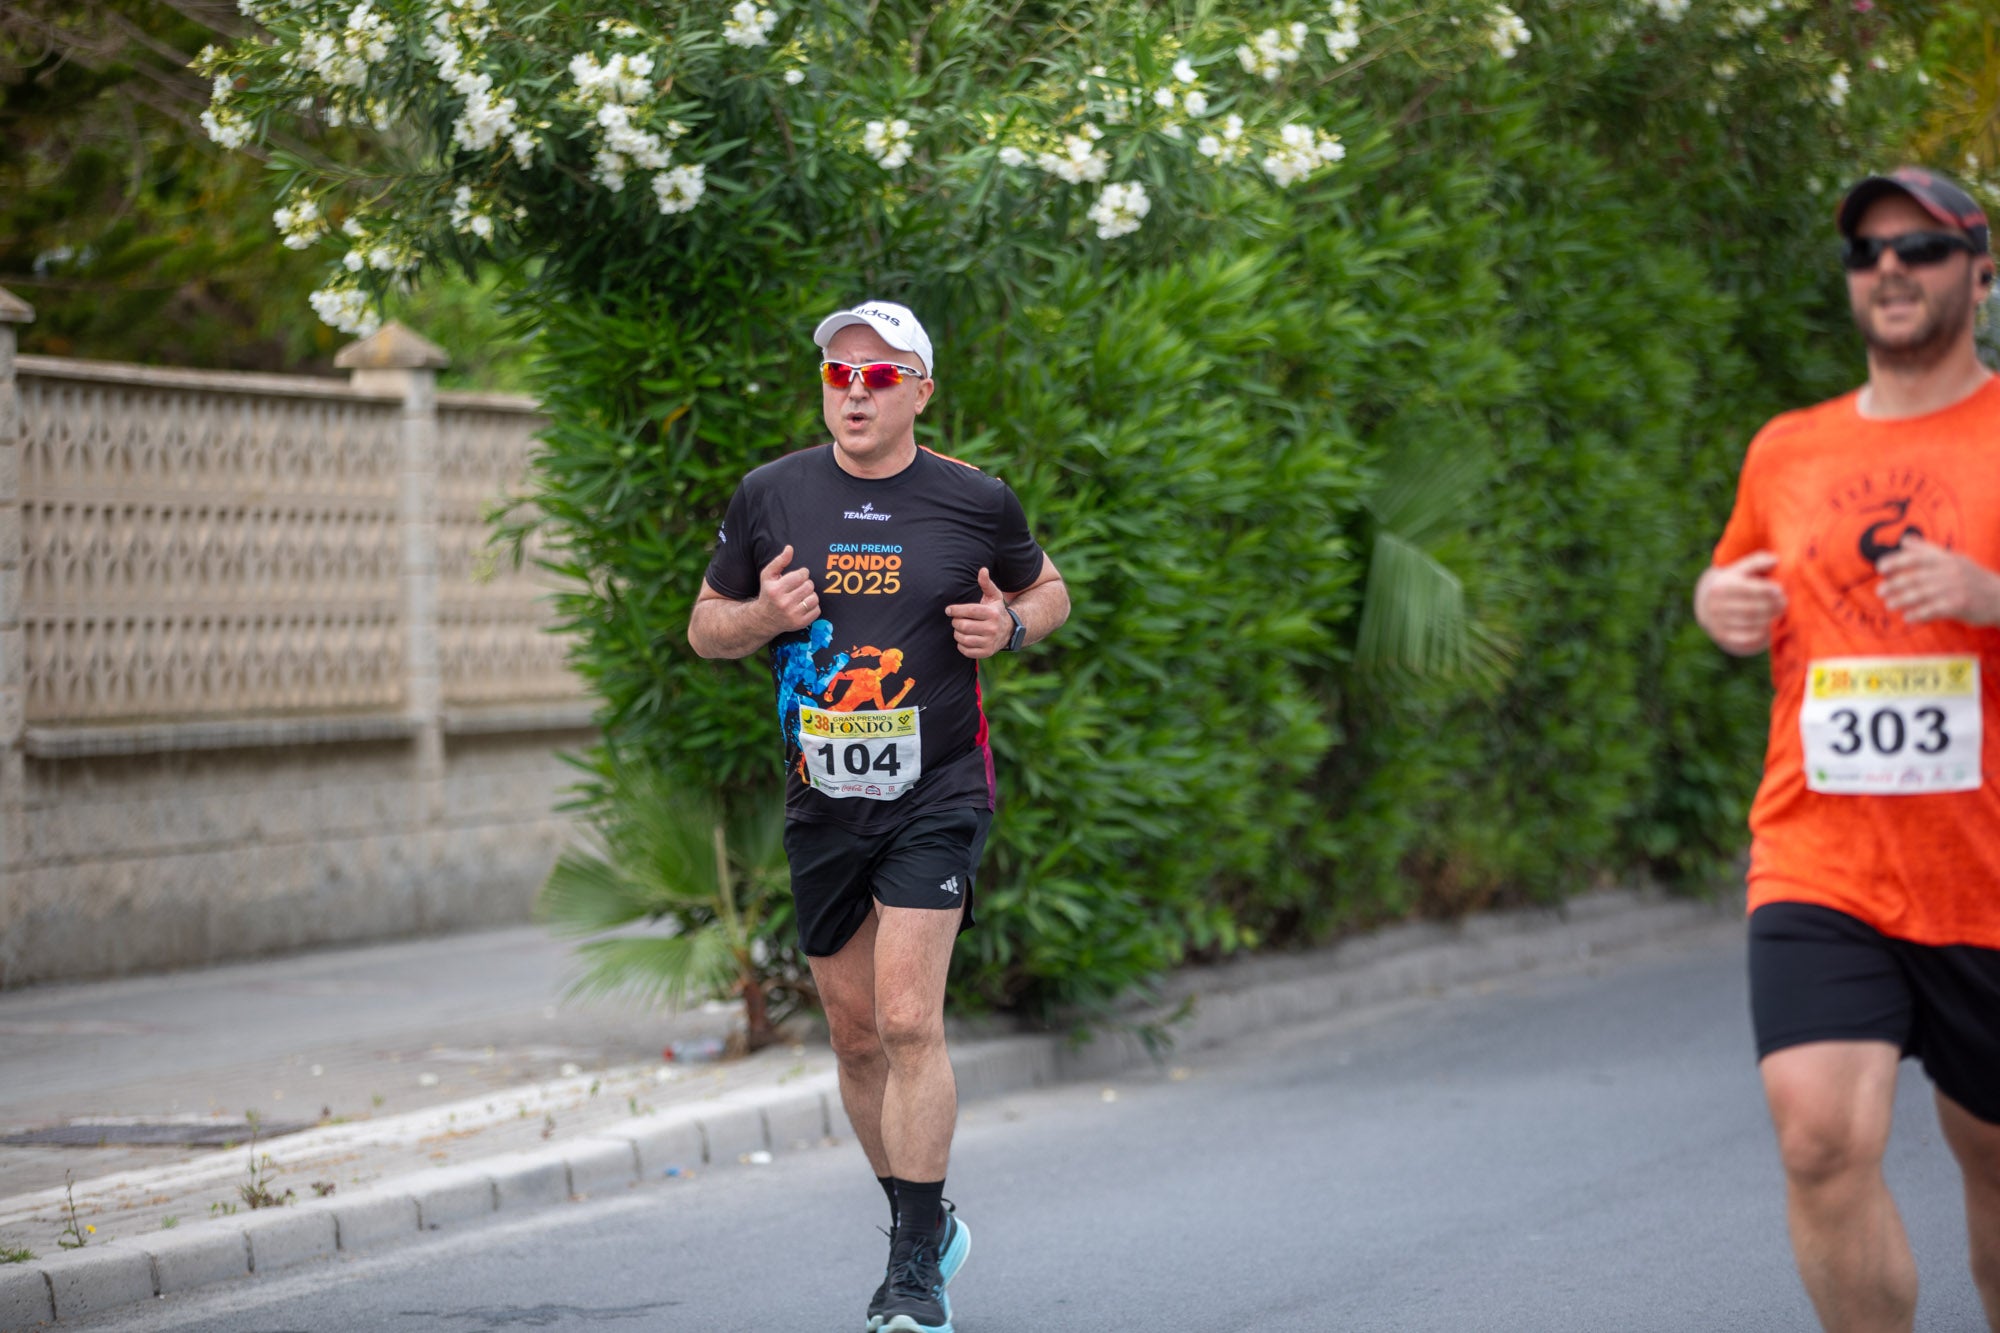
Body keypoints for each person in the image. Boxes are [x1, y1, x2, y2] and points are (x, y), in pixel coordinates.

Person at [688, 300, 1069, 1333]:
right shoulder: (771, 495)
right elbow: (705, 627)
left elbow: (1049, 592)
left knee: (908, 1018)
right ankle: (925, 1221)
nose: (854, 392)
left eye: (879, 376)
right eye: (839, 376)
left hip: (938, 787)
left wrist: (1011, 625)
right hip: (822, 796)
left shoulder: (972, 499)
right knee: (855, 1038)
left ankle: (911, 1273)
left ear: (919, 393)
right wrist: (762, 616)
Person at [1695, 166, 2000, 1333]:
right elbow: (1732, 577)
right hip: (1820, 858)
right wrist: (1711, 602)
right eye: (1865, 251)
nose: (1887, 269)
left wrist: (1987, 594)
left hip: (1981, 869)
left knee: (1986, 1155)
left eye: (1919, 249)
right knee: (1818, 1136)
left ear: (1977, 274)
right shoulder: (1787, 448)